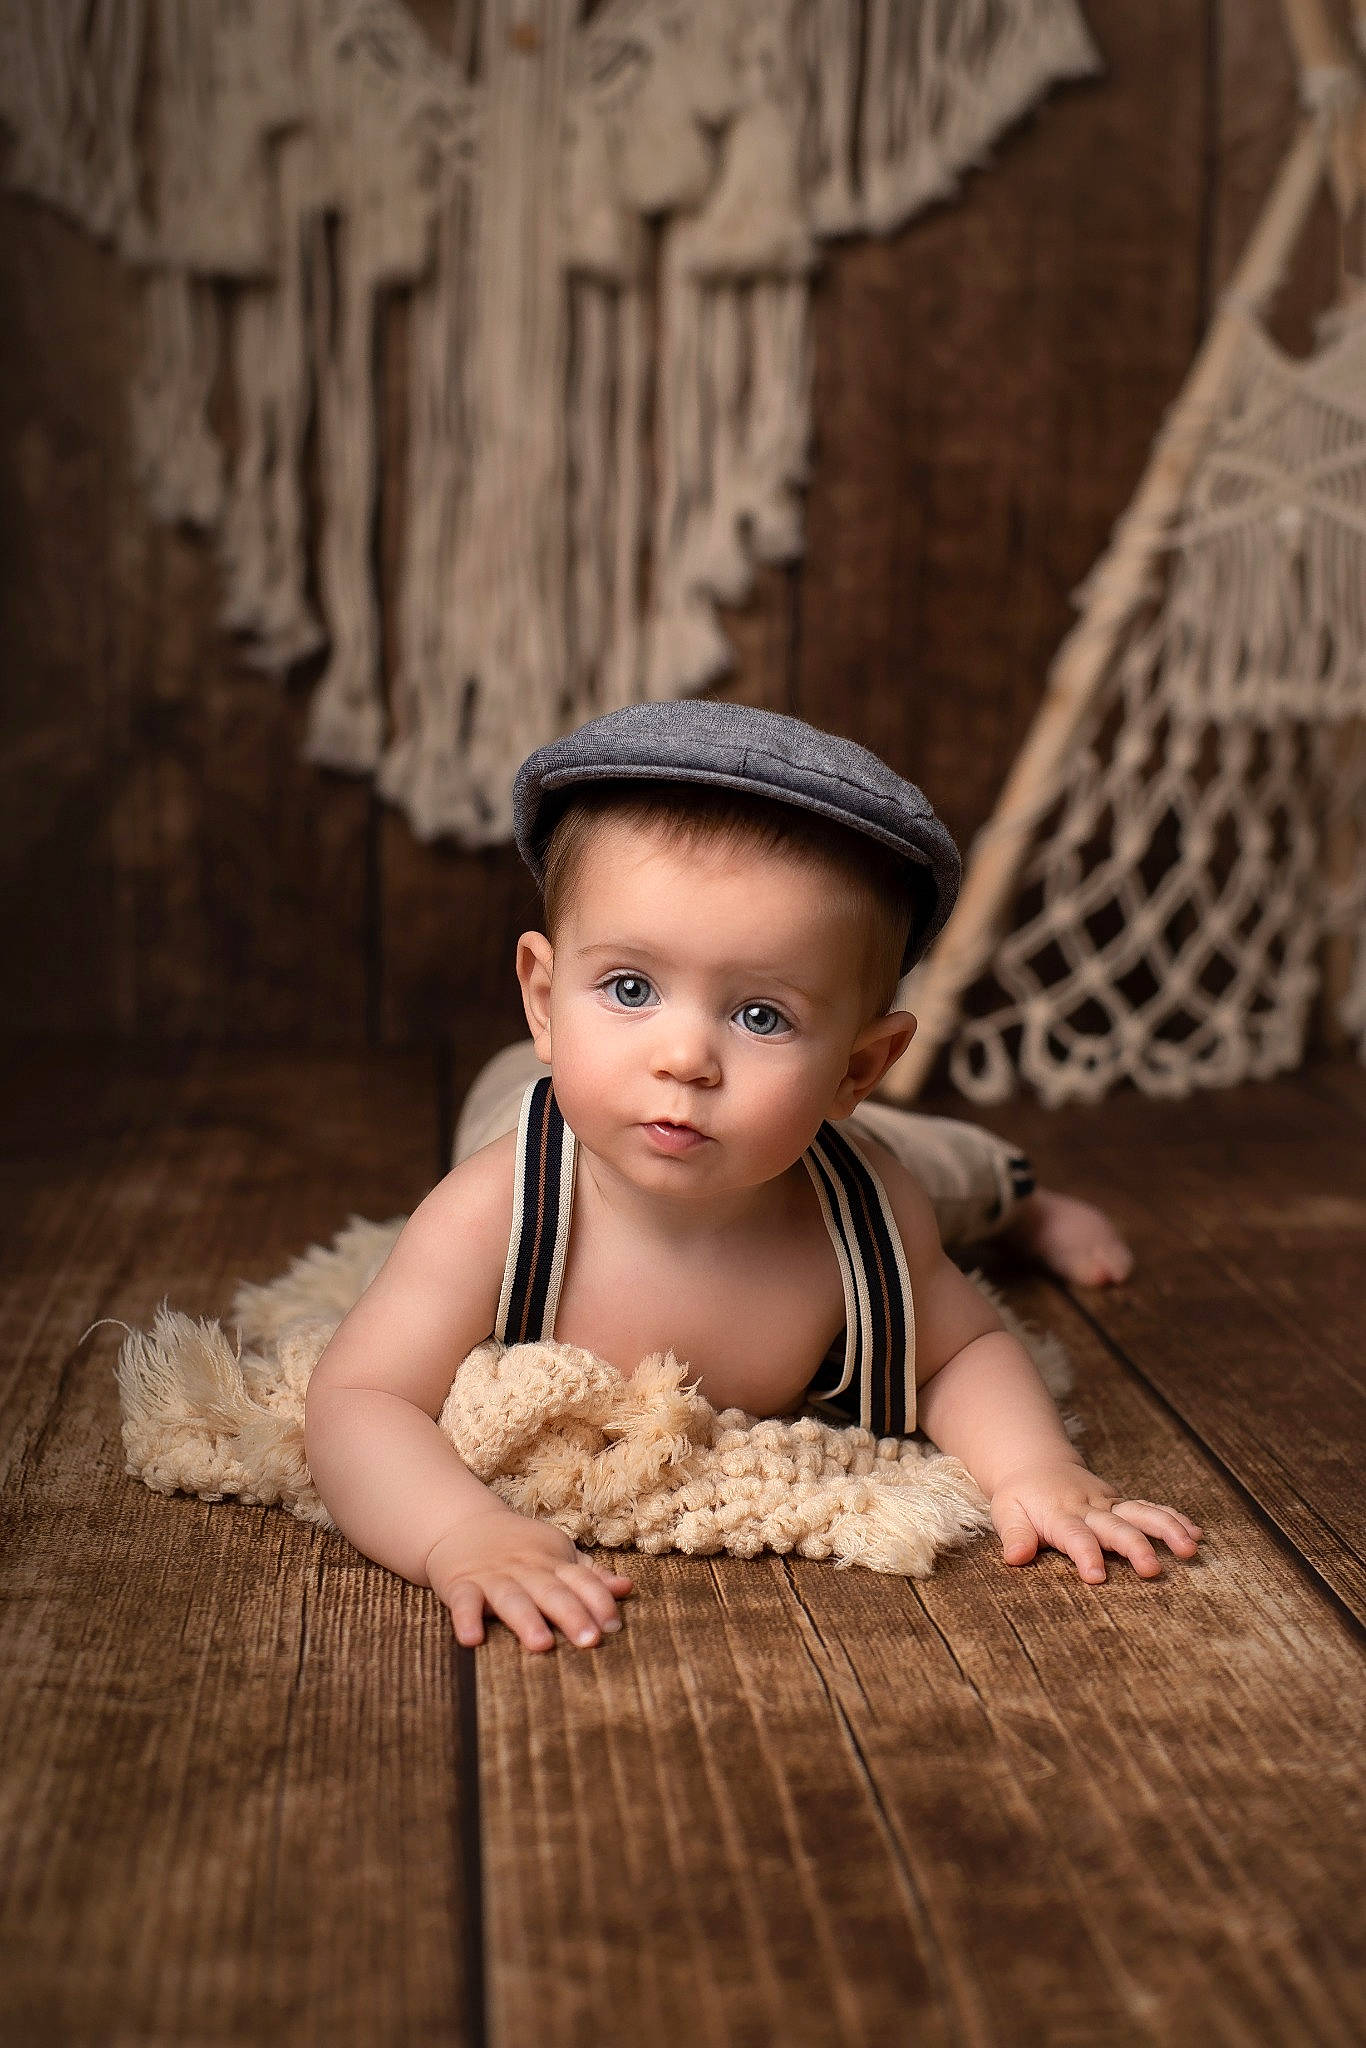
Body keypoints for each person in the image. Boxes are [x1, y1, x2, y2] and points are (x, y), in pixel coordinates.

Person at [304, 702, 1201, 1654]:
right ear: (545, 998)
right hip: (533, 1105)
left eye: (761, 1016)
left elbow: (961, 1351)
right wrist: (459, 1532)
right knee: (529, 1106)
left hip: (806, 1148)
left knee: (937, 1169)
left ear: (859, 1066)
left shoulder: (865, 1211)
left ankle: (1025, 1198)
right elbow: (359, 1399)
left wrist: (1034, 1467)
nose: (685, 1058)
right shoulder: (492, 1209)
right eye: (631, 988)